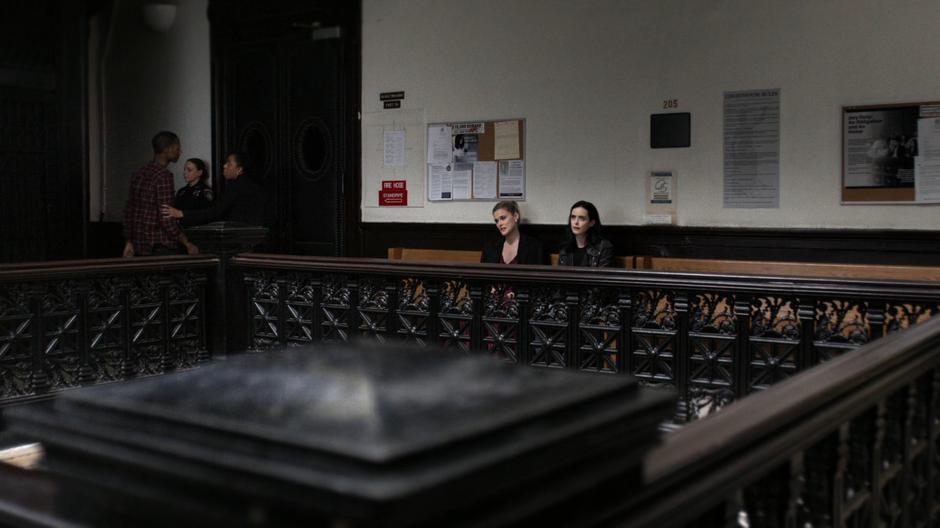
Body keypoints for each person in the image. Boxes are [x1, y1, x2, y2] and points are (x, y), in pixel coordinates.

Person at [122, 131, 198, 257]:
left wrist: (129, 240)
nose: (180, 151)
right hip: (160, 244)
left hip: (139, 244)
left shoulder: (139, 173)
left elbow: (129, 210)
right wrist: (187, 243)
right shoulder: (164, 176)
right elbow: (166, 217)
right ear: (167, 149)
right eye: (177, 148)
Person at [162, 152, 264, 226]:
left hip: (241, 236)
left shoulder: (238, 186)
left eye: (229, 163)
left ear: (239, 169)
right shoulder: (182, 191)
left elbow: (216, 211)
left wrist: (182, 214)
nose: (224, 166)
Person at [481, 200, 545, 265]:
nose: (499, 224)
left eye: (503, 218)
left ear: (515, 216)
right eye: (496, 221)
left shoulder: (535, 247)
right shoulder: (490, 248)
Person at [558, 200, 614, 267]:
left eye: (581, 218)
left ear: (591, 223)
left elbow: (602, 276)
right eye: (573, 217)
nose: (576, 222)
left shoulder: (604, 247)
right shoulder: (565, 248)